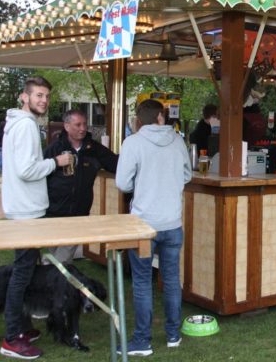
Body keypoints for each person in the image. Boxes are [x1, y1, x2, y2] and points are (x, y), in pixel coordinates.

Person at [0, 76, 73, 359]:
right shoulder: (26, 126)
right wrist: (56, 162)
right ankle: (11, 338)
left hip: (22, 206)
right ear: (24, 97)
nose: (43, 100)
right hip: (26, 210)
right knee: (21, 273)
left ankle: (21, 326)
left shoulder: (17, 124)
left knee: (26, 270)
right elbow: (26, 170)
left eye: (46, 96)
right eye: (38, 95)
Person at [115, 99, 192, 356]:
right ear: (161, 116)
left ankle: (142, 340)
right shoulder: (178, 141)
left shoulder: (133, 143)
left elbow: (123, 184)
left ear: (139, 118)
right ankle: (173, 335)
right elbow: (187, 175)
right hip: (172, 222)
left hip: (144, 225)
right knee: (171, 279)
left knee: (142, 282)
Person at [43, 109, 119, 263]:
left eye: (84, 124)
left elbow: (117, 164)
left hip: (79, 214)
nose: (83, 128)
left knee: (62, 259)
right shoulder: (54, 148)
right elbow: (39, 175)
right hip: (53, 212)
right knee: (57, 254)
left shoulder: (94, 149)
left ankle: (51, 273)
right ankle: (53, 277)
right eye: (78, 124)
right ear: (67, 126)